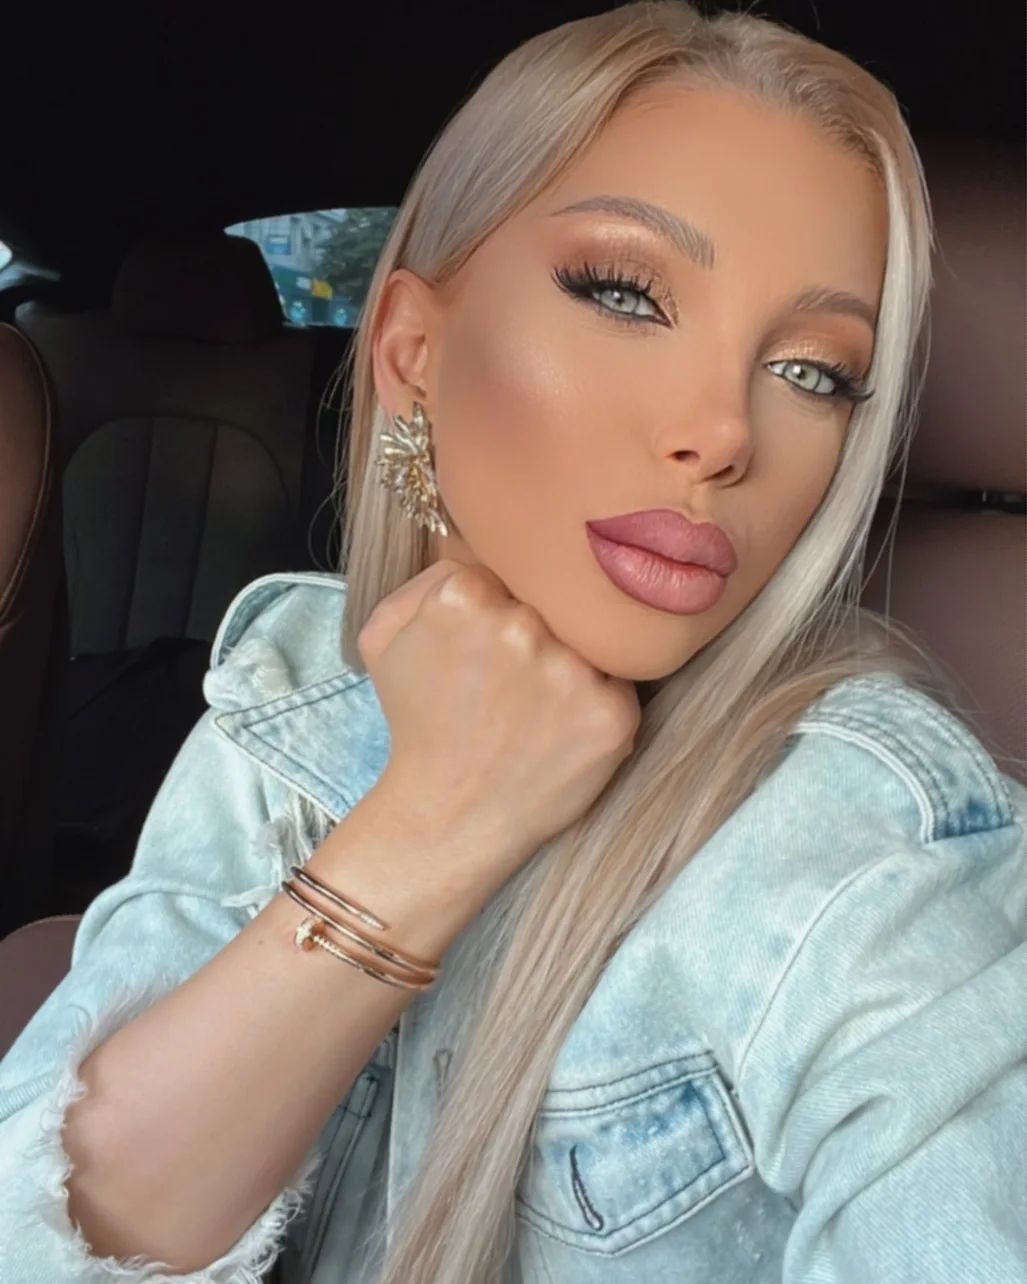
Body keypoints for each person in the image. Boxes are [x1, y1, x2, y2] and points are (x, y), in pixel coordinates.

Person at [2, 2, 1025, 1282]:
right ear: (412, 351)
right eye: (626, 294)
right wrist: (434, 820)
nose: (723, 433)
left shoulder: (875, 836)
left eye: (813, 371)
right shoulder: (293, 687)